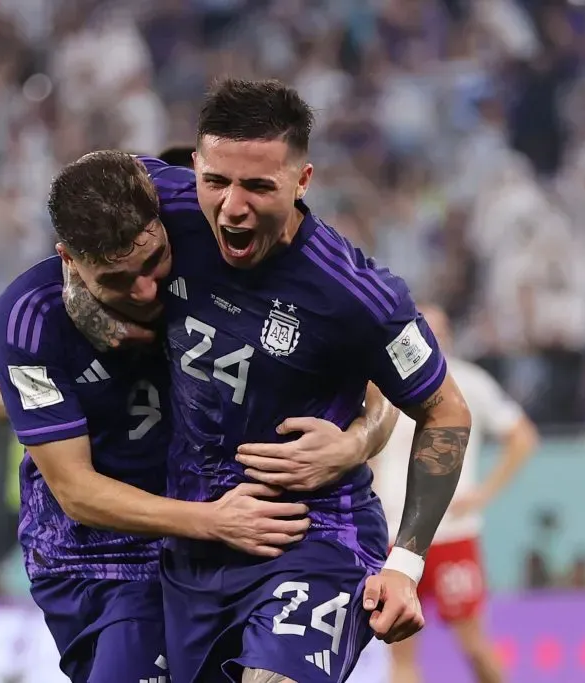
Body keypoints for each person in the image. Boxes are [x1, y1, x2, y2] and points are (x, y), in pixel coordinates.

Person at [55, 79, 473, 683]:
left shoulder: (357, 295)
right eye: (216, 181)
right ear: (194, 166)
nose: (231, 206)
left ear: (302, 181)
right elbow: (74, 214)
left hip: (313, 538)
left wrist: (404, 560)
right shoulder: (162, 206)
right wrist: (89, 311)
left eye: (257, 185)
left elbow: (444, 410)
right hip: (194, 550)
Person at [0, 248, 400, 683]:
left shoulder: (217, 261)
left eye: (151, 266)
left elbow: (385, 363)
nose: (144, 288)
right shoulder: (33, 322)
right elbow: (73, 488)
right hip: (100, 555)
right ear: (70, 261)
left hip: (214, 547)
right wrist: (213, 520)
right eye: (118, 279)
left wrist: (358, 441)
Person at [370, 304, 538, 683]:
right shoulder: (382, 382)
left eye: (440, 329)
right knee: (401, 654)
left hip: (450, 532)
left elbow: (522, 436)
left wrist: (482, 494)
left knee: (474, 645)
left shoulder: (467, 382)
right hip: (395, 532)